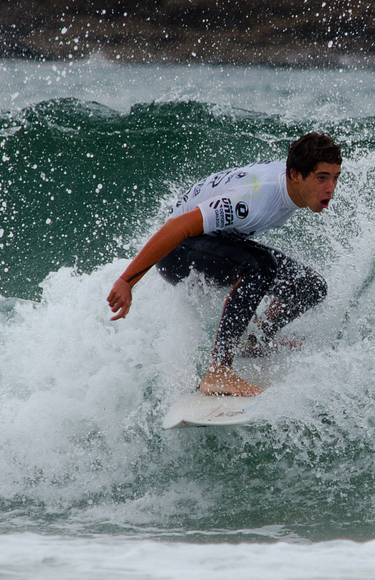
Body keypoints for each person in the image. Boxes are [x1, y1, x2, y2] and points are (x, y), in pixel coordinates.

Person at [105, 132, 342, 397]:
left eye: (335, 177)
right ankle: (218, 372)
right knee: (259, 266)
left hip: (210, 243)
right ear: (296, 175)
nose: (330, 187)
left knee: (309, 286)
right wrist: (127, 281)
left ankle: (255, 340)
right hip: (176, 252)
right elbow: (176, 228)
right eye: (322, 178)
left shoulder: (285, 181)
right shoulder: (252, 201)